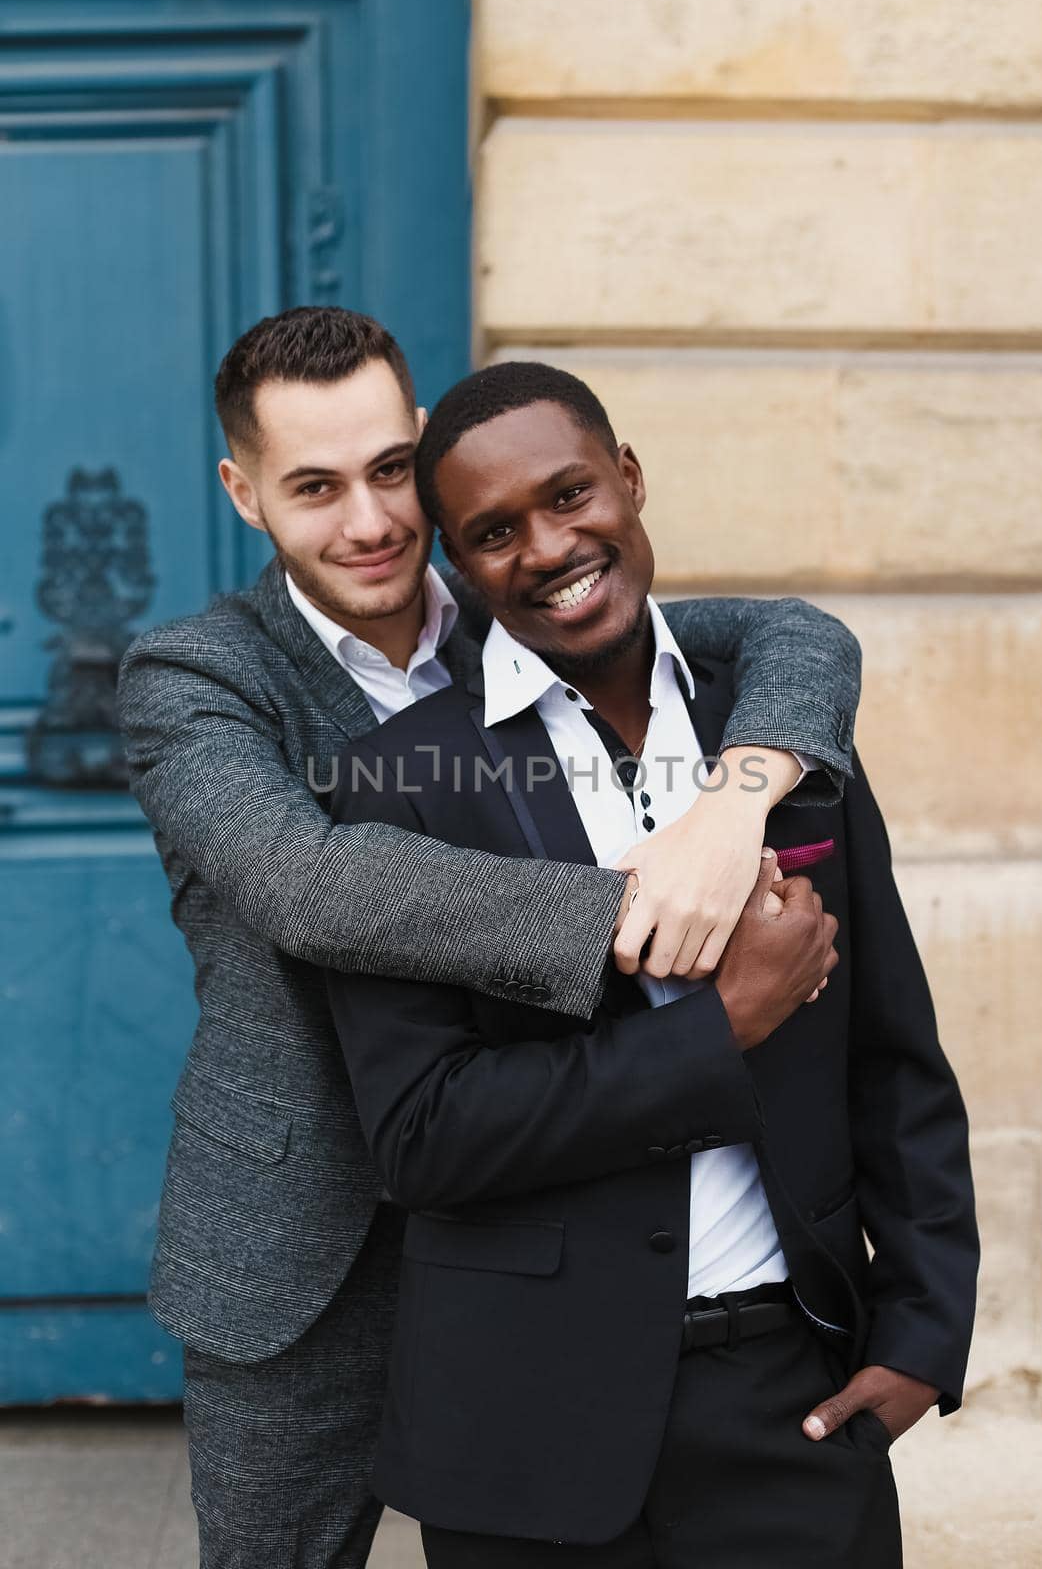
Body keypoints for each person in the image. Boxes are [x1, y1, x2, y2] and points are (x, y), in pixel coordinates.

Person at [118, 308, 862, 1568]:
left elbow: (801, 632)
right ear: (245, 495)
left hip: (536, 1214)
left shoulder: (519, 593)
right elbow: (309, 883)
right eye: (313, 487)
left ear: (421, 444)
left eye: (388, 471)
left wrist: (733, 802)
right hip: (301, 1251)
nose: (368, 522)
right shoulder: (195, 679)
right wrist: (644, 900)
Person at [326, 361, 979, 1568]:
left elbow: (894, 1058)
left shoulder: (778, 736)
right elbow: (423, 1134)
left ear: (626, 478)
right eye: (492, 532)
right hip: (522, 1419)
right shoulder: (400, 782)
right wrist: (710, 1030)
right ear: (458, 570)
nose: (547, 545)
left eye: (570, 493)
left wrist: (925, 1333)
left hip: (790, 1394)